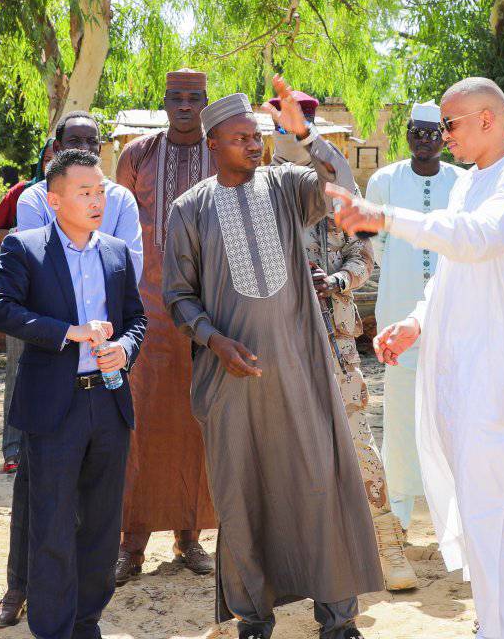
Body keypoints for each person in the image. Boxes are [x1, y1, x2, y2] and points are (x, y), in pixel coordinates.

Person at [334, 77, 504, 639]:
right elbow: (452, 272)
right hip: (466, 377)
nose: (443, 136)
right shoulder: (472, 183)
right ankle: (498, 624)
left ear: (488, 120)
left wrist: (384, 217)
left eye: (452, 124)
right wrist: (417, 320)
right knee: (483, 513)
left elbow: (477, 239)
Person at [163, 86, 382, 639]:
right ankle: (252, 618)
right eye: (241, 139)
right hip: (230, 381)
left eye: (257, 136)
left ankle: (337, 618)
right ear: (213, 144)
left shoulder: (285, 186)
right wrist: (215, 341)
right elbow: (178, 296)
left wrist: (303, 136)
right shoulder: (190, 208)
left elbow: (339, 186)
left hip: (301, 371)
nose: (254, 146)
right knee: (242, 493)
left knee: (318, 484)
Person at [0, 149, 147, 639]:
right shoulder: (25, 246)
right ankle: (52, 628)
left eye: (100, 191)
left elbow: (137, 319)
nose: (97, 200)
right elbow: (1, 312)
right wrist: (68, 332)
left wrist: (124, 347)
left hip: (109, 402)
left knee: (101, 525)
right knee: (52, 523)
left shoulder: (116, 252)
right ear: (54, 200)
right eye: (85, 192)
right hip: (54, 405)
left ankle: (86, 622)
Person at [269, 89, 419, 593]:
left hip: (335, 341)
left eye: (303, 126)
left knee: (359, 444)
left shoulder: (338, 187)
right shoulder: (257, 187)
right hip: (280, 343)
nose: (292, 134)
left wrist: (336, 283)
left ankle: (389, 550)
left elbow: (363, 258)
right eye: (284, 126)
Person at [112, 69, 217, 582]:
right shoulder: (138, 155)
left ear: (205, 102)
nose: (184, 106)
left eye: (193, 98)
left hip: (207, 312)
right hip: (146, 311)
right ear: (163, 100)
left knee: (198, 422)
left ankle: (190, 538)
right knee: (141, 421)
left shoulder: (221, 152)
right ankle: (131, 545)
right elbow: (115, 228)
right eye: (175, 97)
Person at [363, 102, 460, 530]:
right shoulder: (384, 181)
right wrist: (405, 271)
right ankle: (400, 503)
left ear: (444, 136)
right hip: (396, 307)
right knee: (401, 407)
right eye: (416, 132)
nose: (424, 139)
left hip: (452, 312)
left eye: (432, 132)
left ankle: (452, 510)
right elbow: (375, 244)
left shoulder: (461, 182)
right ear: (407, 135)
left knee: (449, 408)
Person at [0, 140, 53, 475]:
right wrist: (21, 236)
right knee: (17, 370)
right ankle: (13, 448)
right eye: (47, 157)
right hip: (23, 299)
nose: (52, 162)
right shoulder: (23, 192)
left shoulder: (88, 196)